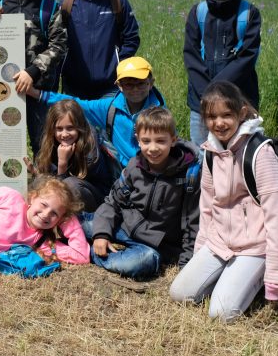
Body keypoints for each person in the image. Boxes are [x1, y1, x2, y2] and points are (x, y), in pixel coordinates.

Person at [169, 81, 278, 322]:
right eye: (212, 116)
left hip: (255, 245)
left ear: (241, 113)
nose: (219, 123)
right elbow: (206, 209)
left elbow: (277, 219)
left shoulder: (260, 153)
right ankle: (237, 277)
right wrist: (199, 255)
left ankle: (273, 271)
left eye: (227, 115)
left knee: (221, 314)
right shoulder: (210, 153)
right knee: (180, 294)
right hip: (221, 241)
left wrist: (276, 282)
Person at [84, 107, 201, 280]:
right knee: (75, 223)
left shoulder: (188, 175)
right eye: (146, 141)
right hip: (123, 226)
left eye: (160, 141)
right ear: (138, 140)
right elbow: (113, 202)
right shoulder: (134, 166)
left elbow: (193, 222)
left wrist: (185, 264)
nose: (153, 148)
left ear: (173, 140)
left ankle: (88, 253)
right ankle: (67, 238)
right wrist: (102, 234)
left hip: (153, 245)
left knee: (145, 262)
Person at [0, 0, 67, 155]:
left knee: (43, 142)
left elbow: (59, 45)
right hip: (4, 89)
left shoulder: (49, 7)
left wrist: (32, 72)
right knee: (2, 141)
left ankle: (44, 184)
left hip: (39, 90)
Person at [28, 56, 166, 173]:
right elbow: (76, 103)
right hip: (121, 174)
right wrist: (38, 94)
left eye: (141, 83)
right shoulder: (109, 108)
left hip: (152, 170)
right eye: (129, 84)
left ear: (151, 83)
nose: (135, 89)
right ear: (119, 86)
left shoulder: (161, 114)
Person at [182, 0, 262, 145]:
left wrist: (217, 91)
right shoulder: (197, 12)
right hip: (201, 99)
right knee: (203, 150)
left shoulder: (250, 13)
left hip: (239, 97)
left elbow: (247, 57)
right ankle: (208, 177)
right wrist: (207, 94)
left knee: (241, 150)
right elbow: (191, 54)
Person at [60, 0, 140, 100]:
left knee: (108, 125)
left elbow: (131, 38)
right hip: (74, 89)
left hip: (110, 88)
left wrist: (118, 66)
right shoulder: (65, 3)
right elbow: (56, 41)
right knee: (76, 126)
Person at [27, 99, 117, 212]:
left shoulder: (90, 151)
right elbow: (50, 181)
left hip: (96, 199)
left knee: (70, 185)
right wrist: (38, 174)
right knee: (38, 186)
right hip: (67, 193)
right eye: (59, 129)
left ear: (79, 127)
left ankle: (80, 221)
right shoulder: (52, 145)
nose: (64, 134)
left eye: (70, 128)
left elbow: (61, 189)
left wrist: (62, 164)